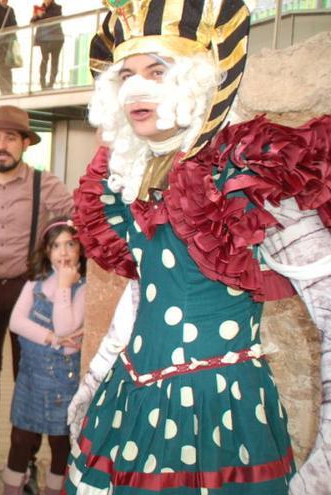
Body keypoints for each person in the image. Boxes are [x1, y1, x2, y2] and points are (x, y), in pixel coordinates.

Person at [65, 0, 331, 492]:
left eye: (157, 70)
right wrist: (96, 376)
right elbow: (149, 294)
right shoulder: (132, 180)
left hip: (217, 416)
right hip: (129, 401)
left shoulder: (248, 175)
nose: (136, 87)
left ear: (198, 80)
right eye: (127, 74)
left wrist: (324, 468)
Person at [0, 105, 73, 477]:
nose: (1, 145)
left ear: (25, 142)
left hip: (29, 287)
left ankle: (28, 455)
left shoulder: (45, 182)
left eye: (10, 137)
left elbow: (74, 219)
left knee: (31, 374)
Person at [3, 219, 85, 495]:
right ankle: (12, 488)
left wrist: (64, 285)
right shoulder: (35, 284)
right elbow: (16, 322)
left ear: (79, 249)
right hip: (30, 380)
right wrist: (51, 339)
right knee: (20, 438)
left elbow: (66, 327)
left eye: (70, 244)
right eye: (56, 246)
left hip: (64, 384)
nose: (63, 252)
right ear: (46, 252)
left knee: (60, 443)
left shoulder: (82, 288)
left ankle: (53, 490)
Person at [30, 0, 63, 89]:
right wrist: (35, 16)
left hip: (56, 39)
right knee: (45, 59)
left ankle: (51, 83)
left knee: (54, 61)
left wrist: (42, 14)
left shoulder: (57, 7)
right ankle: (42, 84)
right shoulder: (41, 8)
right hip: (44, 39)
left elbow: (53, 17)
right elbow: (32, 21)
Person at [0, 0, 18, 95]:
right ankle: (4, 89)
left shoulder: (10, 10)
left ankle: (8, 89)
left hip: (8, 42)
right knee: (3, 64)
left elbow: (14, 24)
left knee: (8, 65)